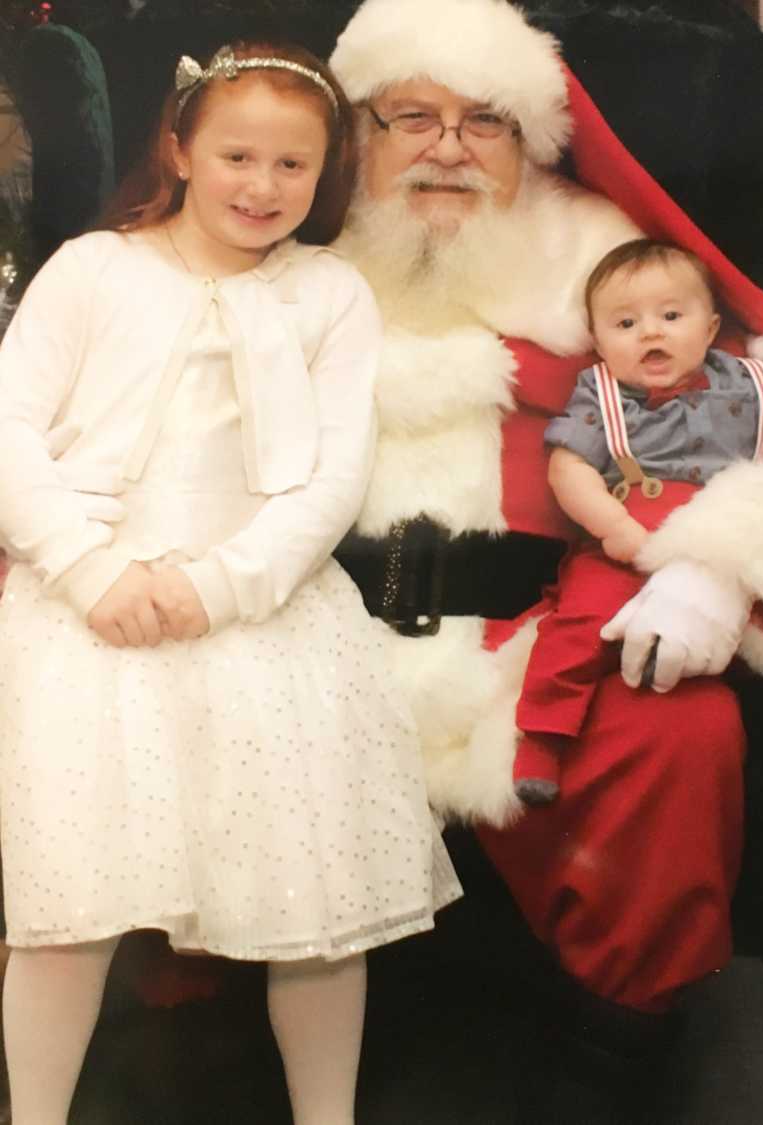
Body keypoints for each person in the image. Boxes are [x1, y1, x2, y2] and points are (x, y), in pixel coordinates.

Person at [328, 0, 763, 1119]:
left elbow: (740, 406)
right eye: (411, 117)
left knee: (680, 732)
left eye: (483, 120)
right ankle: (190, 1018)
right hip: (316, 620)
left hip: (540, 627)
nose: (444, 145)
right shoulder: (298, 249)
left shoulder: (600, 269)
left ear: (530, 140)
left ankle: (613, 1068)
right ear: (362, 133)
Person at [0, 39, 460, 1125]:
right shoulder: (95, 269)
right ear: (180, 148)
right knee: (67, 909)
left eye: (292, 167)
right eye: (238, 157)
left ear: (325, 174)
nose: (262, 188)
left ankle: (326, 1113)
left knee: (313, 903)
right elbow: (9, 430)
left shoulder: (330, 295)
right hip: (90, 615)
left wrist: (224, 585)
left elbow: (333, 477)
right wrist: (89, 565)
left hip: (264, 619)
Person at [514, 237, 763, 804]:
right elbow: (569, 469)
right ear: (598, 340)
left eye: (670, 316)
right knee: (577, 623)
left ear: (710, 329)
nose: (651, 333)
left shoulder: (746, 382)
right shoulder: (601, 395)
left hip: (721, 548)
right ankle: (542, 737)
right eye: (626, 323)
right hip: (630, 537)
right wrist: (612, 526)